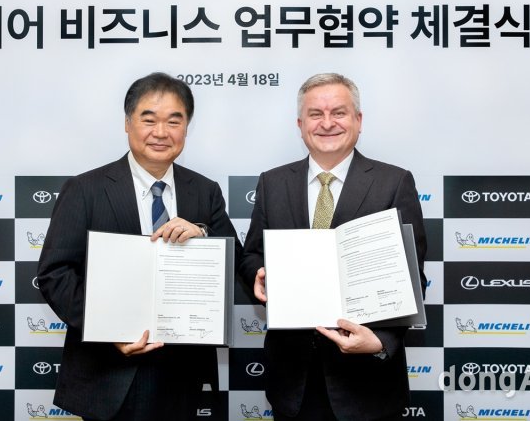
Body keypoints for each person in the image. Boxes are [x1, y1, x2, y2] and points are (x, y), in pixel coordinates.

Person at [37, 72, 239, 421]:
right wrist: (108, 329)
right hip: (110, 373)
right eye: (149, 119)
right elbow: (55, 274)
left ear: (186, 128)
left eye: (174, 121)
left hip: (184, 374)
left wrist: (202, 234)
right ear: (127, 123)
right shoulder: (85, 189)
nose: (161, 132)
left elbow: (234, 261)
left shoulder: (204, 190)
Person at [238, 73, 427, 421]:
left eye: (338, 112)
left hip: (368, 385)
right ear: (300, 124)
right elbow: (252, 255)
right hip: (292, 383)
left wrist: (381, 341)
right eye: (315, 114)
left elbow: (412, 278)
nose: (327, 123)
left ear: (358, 120)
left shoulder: (394, 182)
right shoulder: (272, 183)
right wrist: (258, 275)